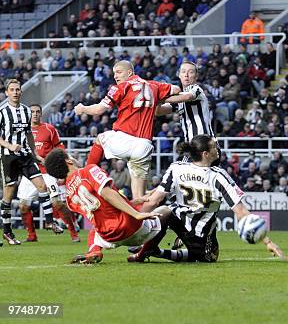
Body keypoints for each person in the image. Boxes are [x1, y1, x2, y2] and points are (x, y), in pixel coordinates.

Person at [132, 135, 285, 262]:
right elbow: (241, 213)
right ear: (205, 154)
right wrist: (268, 242)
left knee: (163, 211)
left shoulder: (176, 168)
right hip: (200, 235)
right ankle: (152, 250)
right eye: (213, 146)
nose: (217, 149)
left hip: (178, 221)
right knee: (208, 257)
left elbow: (154, 200)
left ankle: (151, 249)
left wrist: (132, 225)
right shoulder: (218, 176)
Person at [74, 60, 195, 199]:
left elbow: (99, 109)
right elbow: (176, 89)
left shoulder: (121, 87)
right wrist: (159, 99)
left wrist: (82, 108)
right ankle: (147, 214)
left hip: (125, 139)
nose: (115, 76)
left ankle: (86, 178)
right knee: (139, 197)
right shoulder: (153, 85)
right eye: (114, 73)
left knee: (100, 138)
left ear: (130, 72)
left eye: (119, 72)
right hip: (144, 146)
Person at [43, 148, 168, 264]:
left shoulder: (69, 196)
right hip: (130, 227)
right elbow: (107, 194)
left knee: (94, 228)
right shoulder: (88, 170)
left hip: (108, 237)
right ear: (69, 160)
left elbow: (104, 207)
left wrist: (137, 201)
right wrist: (136, 213)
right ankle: (143, 254)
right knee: (167, 211)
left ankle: (94, 250)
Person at [0, 80, 63, 246]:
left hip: (26, 156)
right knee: (8, 195)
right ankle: (7, 232)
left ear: (21, 92)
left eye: (17, 90)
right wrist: (9, 145)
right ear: (7, 92)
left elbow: (28, 134)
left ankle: (49, 221)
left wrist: (34, 153)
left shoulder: (27, 111)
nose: (15, 92)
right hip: (9, 157)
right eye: (12, 90)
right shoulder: (2, 111)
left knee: (42, 186)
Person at [16, 104, 80, 242]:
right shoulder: (22, 131)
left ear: (41, 113)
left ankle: (73, 232)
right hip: (29, 171)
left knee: (57, 203)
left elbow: (59, 148)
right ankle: (32, 236)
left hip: (47, 171)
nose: (35, 114)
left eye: (38, 111)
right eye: (32, 112)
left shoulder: (49, 129)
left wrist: (64, 163)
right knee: (23, 205)